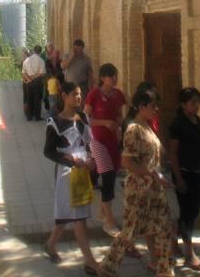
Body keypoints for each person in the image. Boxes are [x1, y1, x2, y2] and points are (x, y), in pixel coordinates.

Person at [100, 88, 175, 277]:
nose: (156, 109)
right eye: (152, 106)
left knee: (165, 229)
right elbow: (126, 162)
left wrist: (158, 175)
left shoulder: (147, 126)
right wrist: (151, 173)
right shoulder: (133, 129)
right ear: (141, 107)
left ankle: (165, 271)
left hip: (154, 189)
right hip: (139, 190)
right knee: (129, 232)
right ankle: (107, 268)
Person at [42, 81, 101, 275]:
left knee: (69, 212)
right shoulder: (55, 123)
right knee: (78, 217)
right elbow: (48, 152)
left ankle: (50, 244)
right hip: (67, 173)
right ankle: (90, 261)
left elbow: (89, 143)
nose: (79, 97)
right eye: (75, 94)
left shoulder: (82, 117)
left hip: (83, 171)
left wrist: (92, 159)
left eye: (80, 94)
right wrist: (69, 158)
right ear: (64, 96)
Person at [168, 87, 200, 271]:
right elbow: (173, 153)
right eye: (193, 102)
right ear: (184, 104)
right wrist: (178, 178)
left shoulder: (197, 121)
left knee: (193, 210)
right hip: (183, 172)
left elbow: (198, 143)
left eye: (197, 101)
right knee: (188, 213)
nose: (196, 105)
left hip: (196, 170)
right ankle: (189, 254)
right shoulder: (178, 124)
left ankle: (173, 241)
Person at [84, 63, 127, 237]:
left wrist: (118, 125)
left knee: (111, 174)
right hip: (97, 141)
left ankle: (103, 212)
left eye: (115, 75)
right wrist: (104, 123)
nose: (114, 79)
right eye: (110, 76)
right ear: (102, 78)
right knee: (108, 176)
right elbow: (86, 118)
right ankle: (109, 222)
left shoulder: (118, 95)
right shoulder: (94, 94)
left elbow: (119, 114)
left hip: (112, 141)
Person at [22, 45, 46, 121]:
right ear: (40, 51)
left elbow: (23, 72)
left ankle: (29, 116)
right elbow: (42, 73)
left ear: (33, 50)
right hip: (38, 81)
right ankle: (37, 117)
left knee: (29, 98)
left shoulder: (26, 60)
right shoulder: (41, 60)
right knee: (37, 99)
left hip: (28, 82)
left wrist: (29, 79)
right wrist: (33, 78)